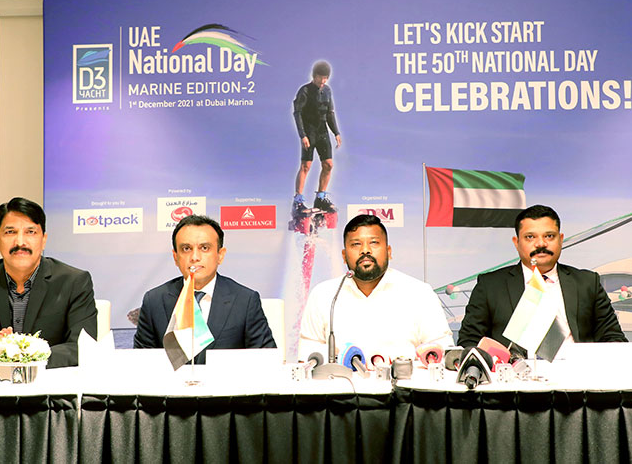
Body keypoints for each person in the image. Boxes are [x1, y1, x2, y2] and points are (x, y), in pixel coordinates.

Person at [458, 205, 627, 351]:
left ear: (561, 240)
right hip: (515, 375)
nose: (541, 244)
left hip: (577, 373)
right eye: (530, 237)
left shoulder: (587, 283)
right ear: (516, 243)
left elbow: (614, 339)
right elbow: (469, 342)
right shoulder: (490, 286)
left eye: (549, 236)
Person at [298, 215, 453, 361]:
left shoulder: (419, 293)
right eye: (356, 244)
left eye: (374, 242)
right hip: (340, 380)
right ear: (344, 256)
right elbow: (307, 353)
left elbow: (441, 351)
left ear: (389, 252)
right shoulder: (324, 295)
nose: (365, 250)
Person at [0, 197, 98, 369]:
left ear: (43, 239)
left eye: (30, 232)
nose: (20, 242)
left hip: (50, 384)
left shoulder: (74, 282)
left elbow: (83, 348)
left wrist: (26, 353)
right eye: (10, 232)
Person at [134, 215, 275, 361]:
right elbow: (141, 363)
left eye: (204, 248)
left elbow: (266, 361)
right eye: (186, 248)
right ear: (176, 257)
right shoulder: (154, 301)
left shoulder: (245, 301)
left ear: (220, 255)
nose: (195, 257)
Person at [292, 60, 342, 216]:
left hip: (322, 132)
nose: (323, 81)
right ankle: (298, 201)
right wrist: (303, 135)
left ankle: (320, 197)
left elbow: (330, 114)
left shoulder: (327, 91)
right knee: (306, 166)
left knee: (328, 165)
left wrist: (336, 133)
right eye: (320, 77)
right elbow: (297, 113)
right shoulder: (305, 91)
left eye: (326, 78)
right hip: (309, 132)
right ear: (314, 76)